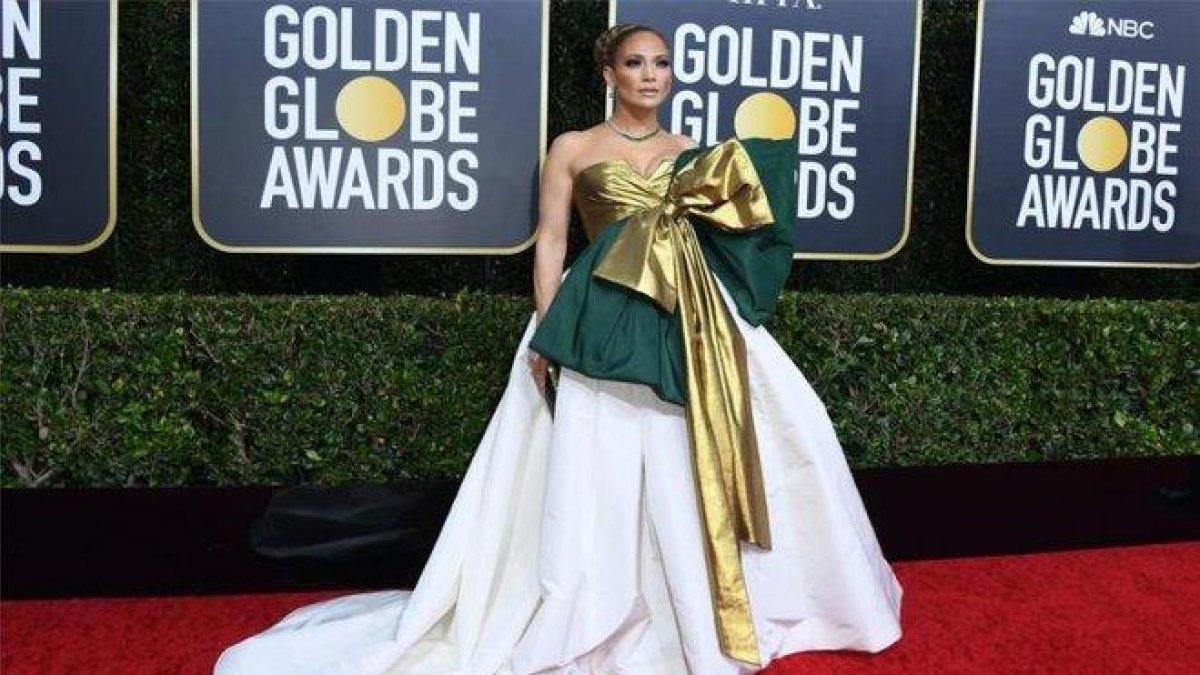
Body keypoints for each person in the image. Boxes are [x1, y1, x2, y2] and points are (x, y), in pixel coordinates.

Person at [215, 23, 902, 675]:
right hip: (598, 308)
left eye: (661, 63)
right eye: (636, 63)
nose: (651, 75)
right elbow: (550, 240)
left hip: (689, 315)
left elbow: (735, 228)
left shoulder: (692, 148)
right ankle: (597, 600)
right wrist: (549, 328)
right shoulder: (573, 146)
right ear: (610, 74)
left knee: (692, 450)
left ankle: (691, 603)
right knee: (595, 458)